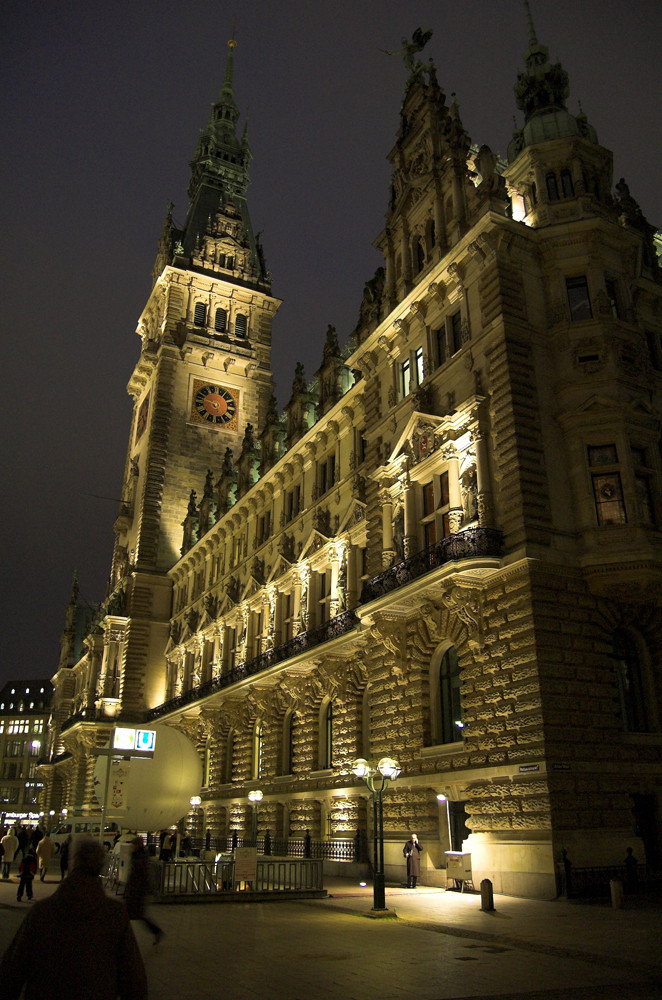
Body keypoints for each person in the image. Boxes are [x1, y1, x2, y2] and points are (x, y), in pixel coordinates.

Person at [0, 836, 147, 1000]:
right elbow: (133, 978)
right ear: (100, 866)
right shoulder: (115, 915)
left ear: (72, 864)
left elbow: (12, 969)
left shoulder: (42, 912)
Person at [124, 836, 164, 944]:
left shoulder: (140, 858)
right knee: (136, 915)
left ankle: (156, 931)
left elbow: (145, 876)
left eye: (133, 845)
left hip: (137, 892)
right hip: (134, 891)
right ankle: (156, 931)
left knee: (135, 915)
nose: (131, 847)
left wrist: (148, 892)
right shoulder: (137, 857)